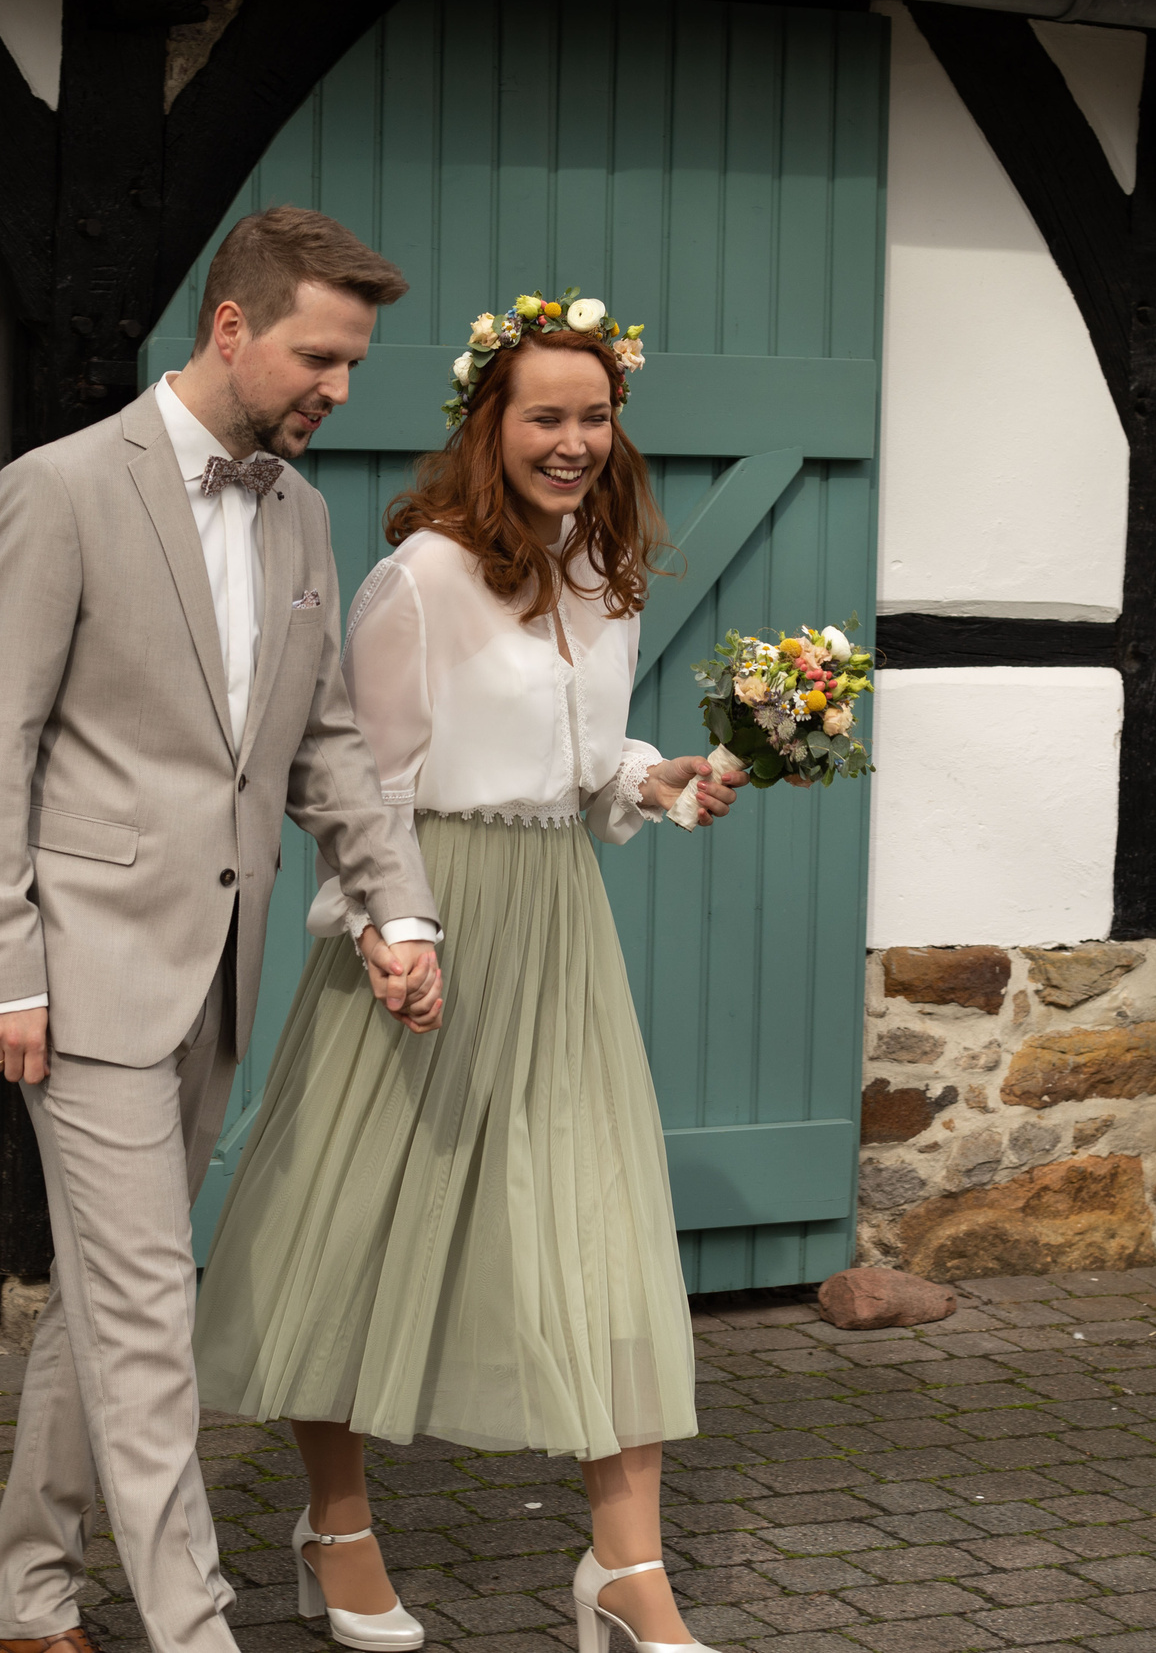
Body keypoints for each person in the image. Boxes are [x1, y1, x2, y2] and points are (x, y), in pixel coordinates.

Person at [192, 297, 744, 1653]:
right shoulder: (421, 578)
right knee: (358, 1220)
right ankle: (336, 1525)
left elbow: (579, 764)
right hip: (424, 916)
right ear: (488, 425)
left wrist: (651, 779)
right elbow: (362, 782)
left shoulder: (602, 575)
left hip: (558, 924)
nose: (571, 441)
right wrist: (390, 930)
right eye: (544, 415)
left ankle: (628, 1570)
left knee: (601, 1229)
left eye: (593, 417)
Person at [0, 206, 445, 1653]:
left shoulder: (303, 514)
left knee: (107, 1300)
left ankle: (26, 1598)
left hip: (220, 971)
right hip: (78, 971)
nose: (337, 386)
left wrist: (397, 904)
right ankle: (193, 1622)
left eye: (351, 363)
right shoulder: (58, 488)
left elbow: (323, 742)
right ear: (232, 326)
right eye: (319, 356)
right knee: (154, 1308)